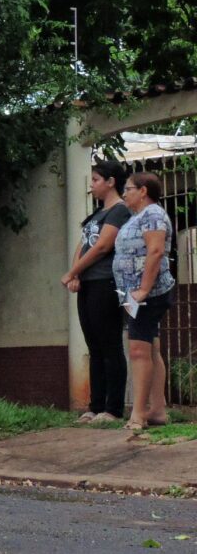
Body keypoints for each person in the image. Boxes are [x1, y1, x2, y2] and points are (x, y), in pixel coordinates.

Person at [60, 160, 129, 422]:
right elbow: (83, 244)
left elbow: (102, 247)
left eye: (96, 180)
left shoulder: (119, 211)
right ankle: (95, 406)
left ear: (111, 182)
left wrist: (71, 272)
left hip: (105, 282)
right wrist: (76, 273)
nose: (92, 185)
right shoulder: (97, 214)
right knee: (94, 346)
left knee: (110, 345)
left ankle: (113, 409)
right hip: (88, 283)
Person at [113, 171, 176, 431]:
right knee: (149, 349)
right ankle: (157, 410)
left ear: (143, 191)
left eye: (128, 188)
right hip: (134, 294)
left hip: (146, 295)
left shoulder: (152, 214)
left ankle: (138, 414)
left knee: (138, 351)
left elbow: (156, 250)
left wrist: (142, 289)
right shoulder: (137, 216)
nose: (124, 192)